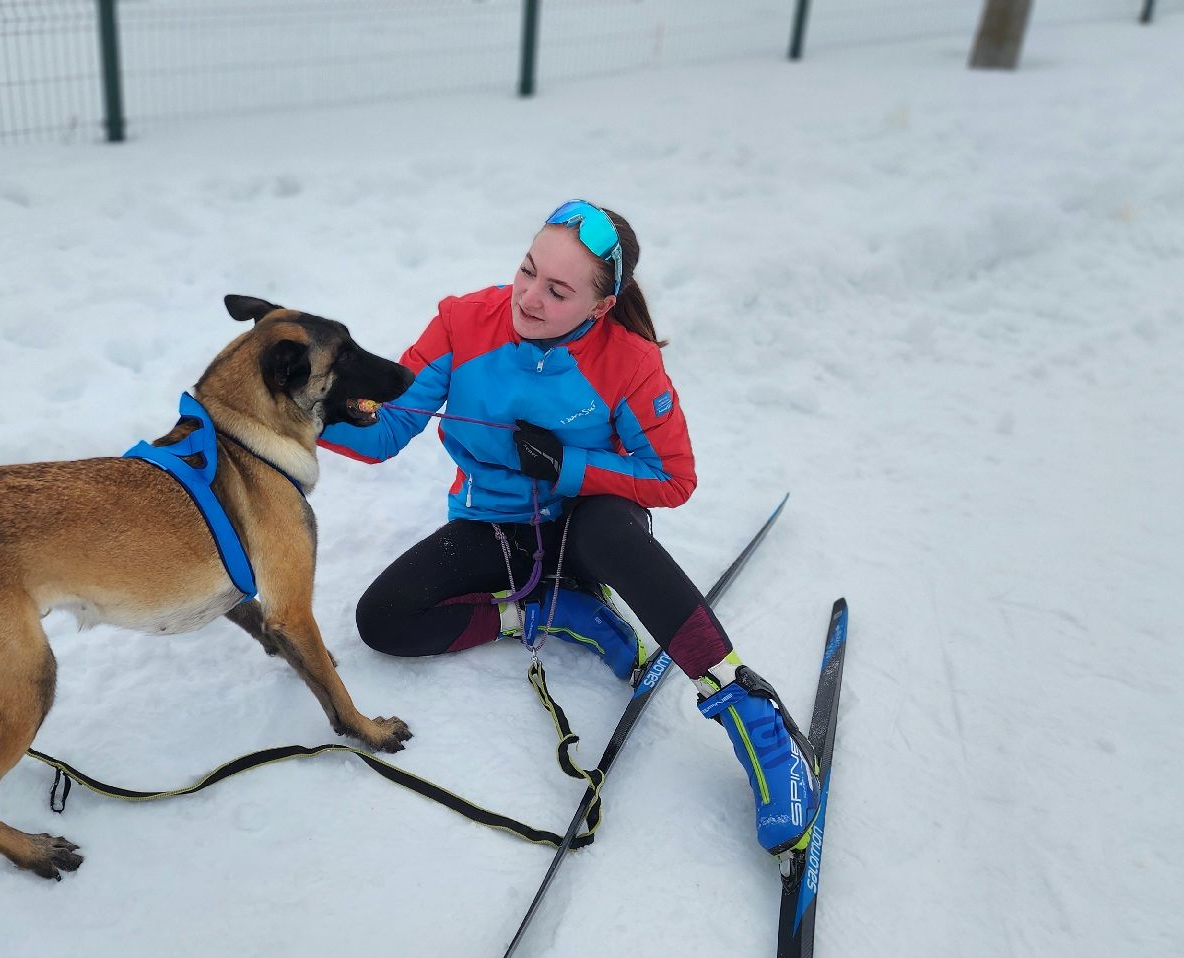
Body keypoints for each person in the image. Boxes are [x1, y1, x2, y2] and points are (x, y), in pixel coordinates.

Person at [319, 199, 816, 856]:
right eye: (526, 272)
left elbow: (672, 477)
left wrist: (569, 465)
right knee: (382, 619)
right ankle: (549, 612)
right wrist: (294, 408)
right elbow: (385, 430)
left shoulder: (628, 362)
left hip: (589, 532)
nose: (529, 297)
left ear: (599, 306)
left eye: (557, 291)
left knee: (607, 532)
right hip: (498, 528)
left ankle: (751, 713)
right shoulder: (463, 323)